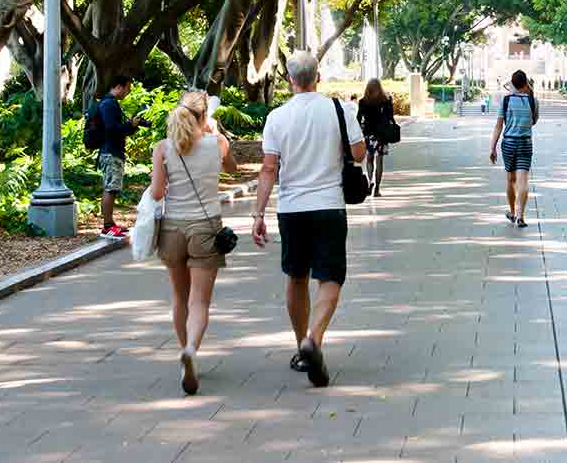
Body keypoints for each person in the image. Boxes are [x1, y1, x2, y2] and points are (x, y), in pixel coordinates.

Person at [252, 52, 366, 388]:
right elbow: (359, 153)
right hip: (329, 205)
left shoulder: (276, 117)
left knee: (296, 275)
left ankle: (301, 344)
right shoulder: (339, 109)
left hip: (291, 208)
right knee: (330, 276)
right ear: (317, 76)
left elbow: (269, 168)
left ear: (289, 79)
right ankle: (313, 339)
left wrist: (259, 213)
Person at [149, 92, 238, 395]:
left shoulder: (163, 148)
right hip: (206, 227)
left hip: (172, 228)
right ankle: (191, 349)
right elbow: (232, 168)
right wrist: (215, 132)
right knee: (199, 301)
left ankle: (184, 352)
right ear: (204, 116)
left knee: (179, 296)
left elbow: (157, 193)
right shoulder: (218, 143)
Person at [489, 70, 539, 228]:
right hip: (525, 143)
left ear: (513, 84)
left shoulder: (506, 100)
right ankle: (520, 216)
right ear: (526, 83)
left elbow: (498, 126)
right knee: (523, 180)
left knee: (511, 180)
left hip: (509, 143)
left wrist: (493, 148)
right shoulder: (533, 101)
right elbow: (533, 122)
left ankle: (512, 211)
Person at [98, 75, 145, 238]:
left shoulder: (111, 103)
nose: (128, 92)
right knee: (110, 188)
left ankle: (110, 224)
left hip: (113, 151)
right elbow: (112, 129)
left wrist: (132, 126)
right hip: (110, 152)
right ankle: (107, 226)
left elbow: (118, 129)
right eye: (127, 88)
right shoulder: (108, 104)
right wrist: (129, 124)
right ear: (119, 86)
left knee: (112, 188)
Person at [358, 79, 396, 197]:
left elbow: (359, 118)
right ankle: (377, 189)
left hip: (368, 134)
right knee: (379, 161)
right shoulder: (386, 100)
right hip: (382, 135)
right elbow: (390, 117)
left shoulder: (363, 101)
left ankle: (370, 182)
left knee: (369, 159)